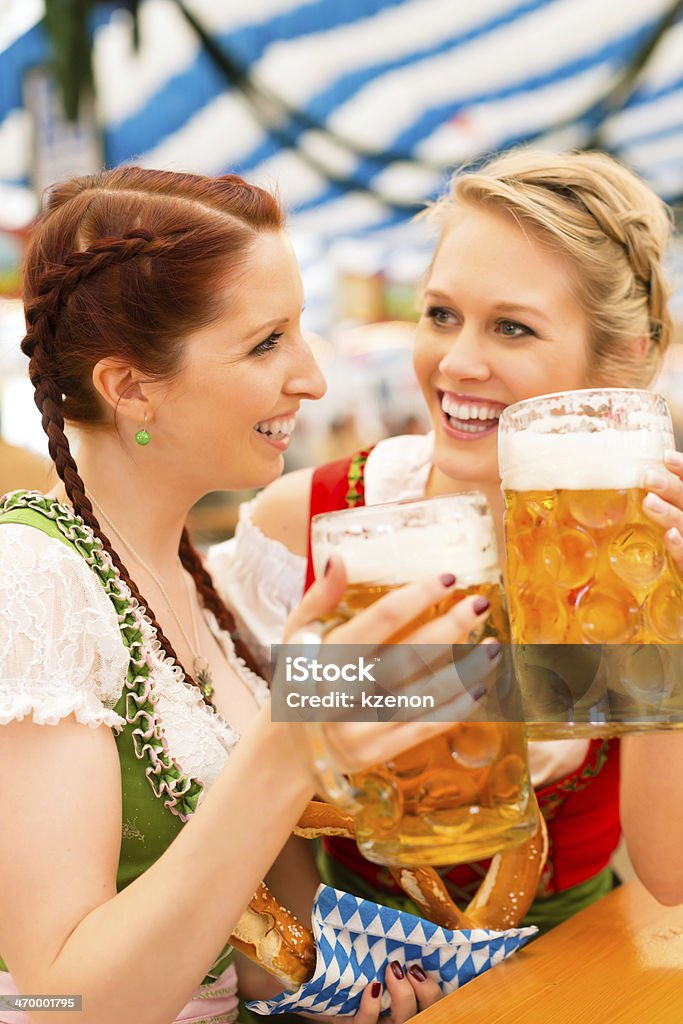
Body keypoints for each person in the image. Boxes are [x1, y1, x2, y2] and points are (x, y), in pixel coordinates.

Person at [0, 167, 496, 1024]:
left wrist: (329, 993)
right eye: (266, 342)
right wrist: (288, 738)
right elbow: (63, 1000)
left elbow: (240, 941)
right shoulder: (33, 580)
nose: (311, 378)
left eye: (300, 332)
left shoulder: (198, 580)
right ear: (129, 387)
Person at [209, 148, 683, 928]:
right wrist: (332, 980)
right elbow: (253, 810)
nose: (457, 362)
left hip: (568, 964)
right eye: (440, 315)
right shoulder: (308, 521)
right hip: (345, 965)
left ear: (624, 362)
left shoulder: (637, 554)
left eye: (512, 328)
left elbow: (666, 876)